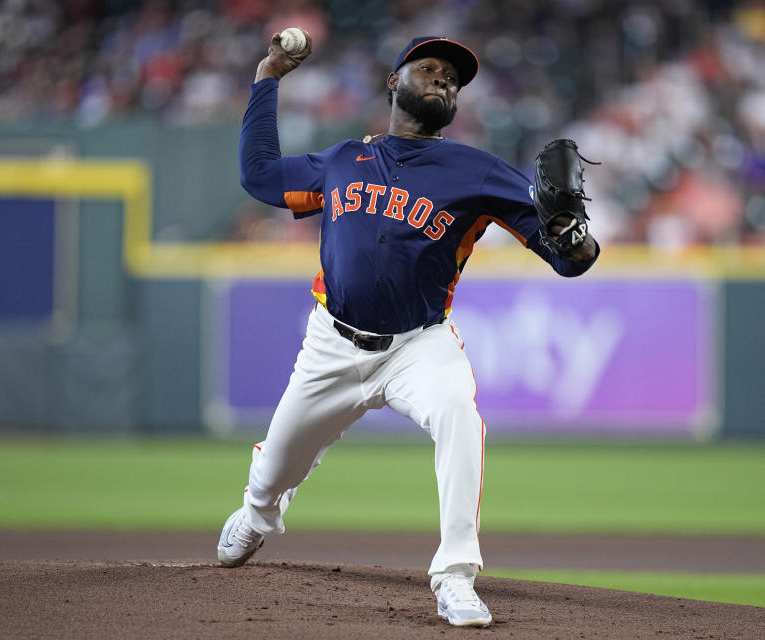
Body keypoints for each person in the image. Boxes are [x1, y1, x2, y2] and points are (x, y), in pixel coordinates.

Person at [216, 31, 600, 628]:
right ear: (395, 81)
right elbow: (260, 176)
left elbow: (567, 256)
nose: (444, 79)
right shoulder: (344, 159)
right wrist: (267, 77)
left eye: (454, 77)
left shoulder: (477, 171)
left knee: (458, 414)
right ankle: (260, 514)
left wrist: (577, 238)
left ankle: (456, 577)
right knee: (270, 478)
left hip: (420, 345)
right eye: (430, 69)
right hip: (331, 343)